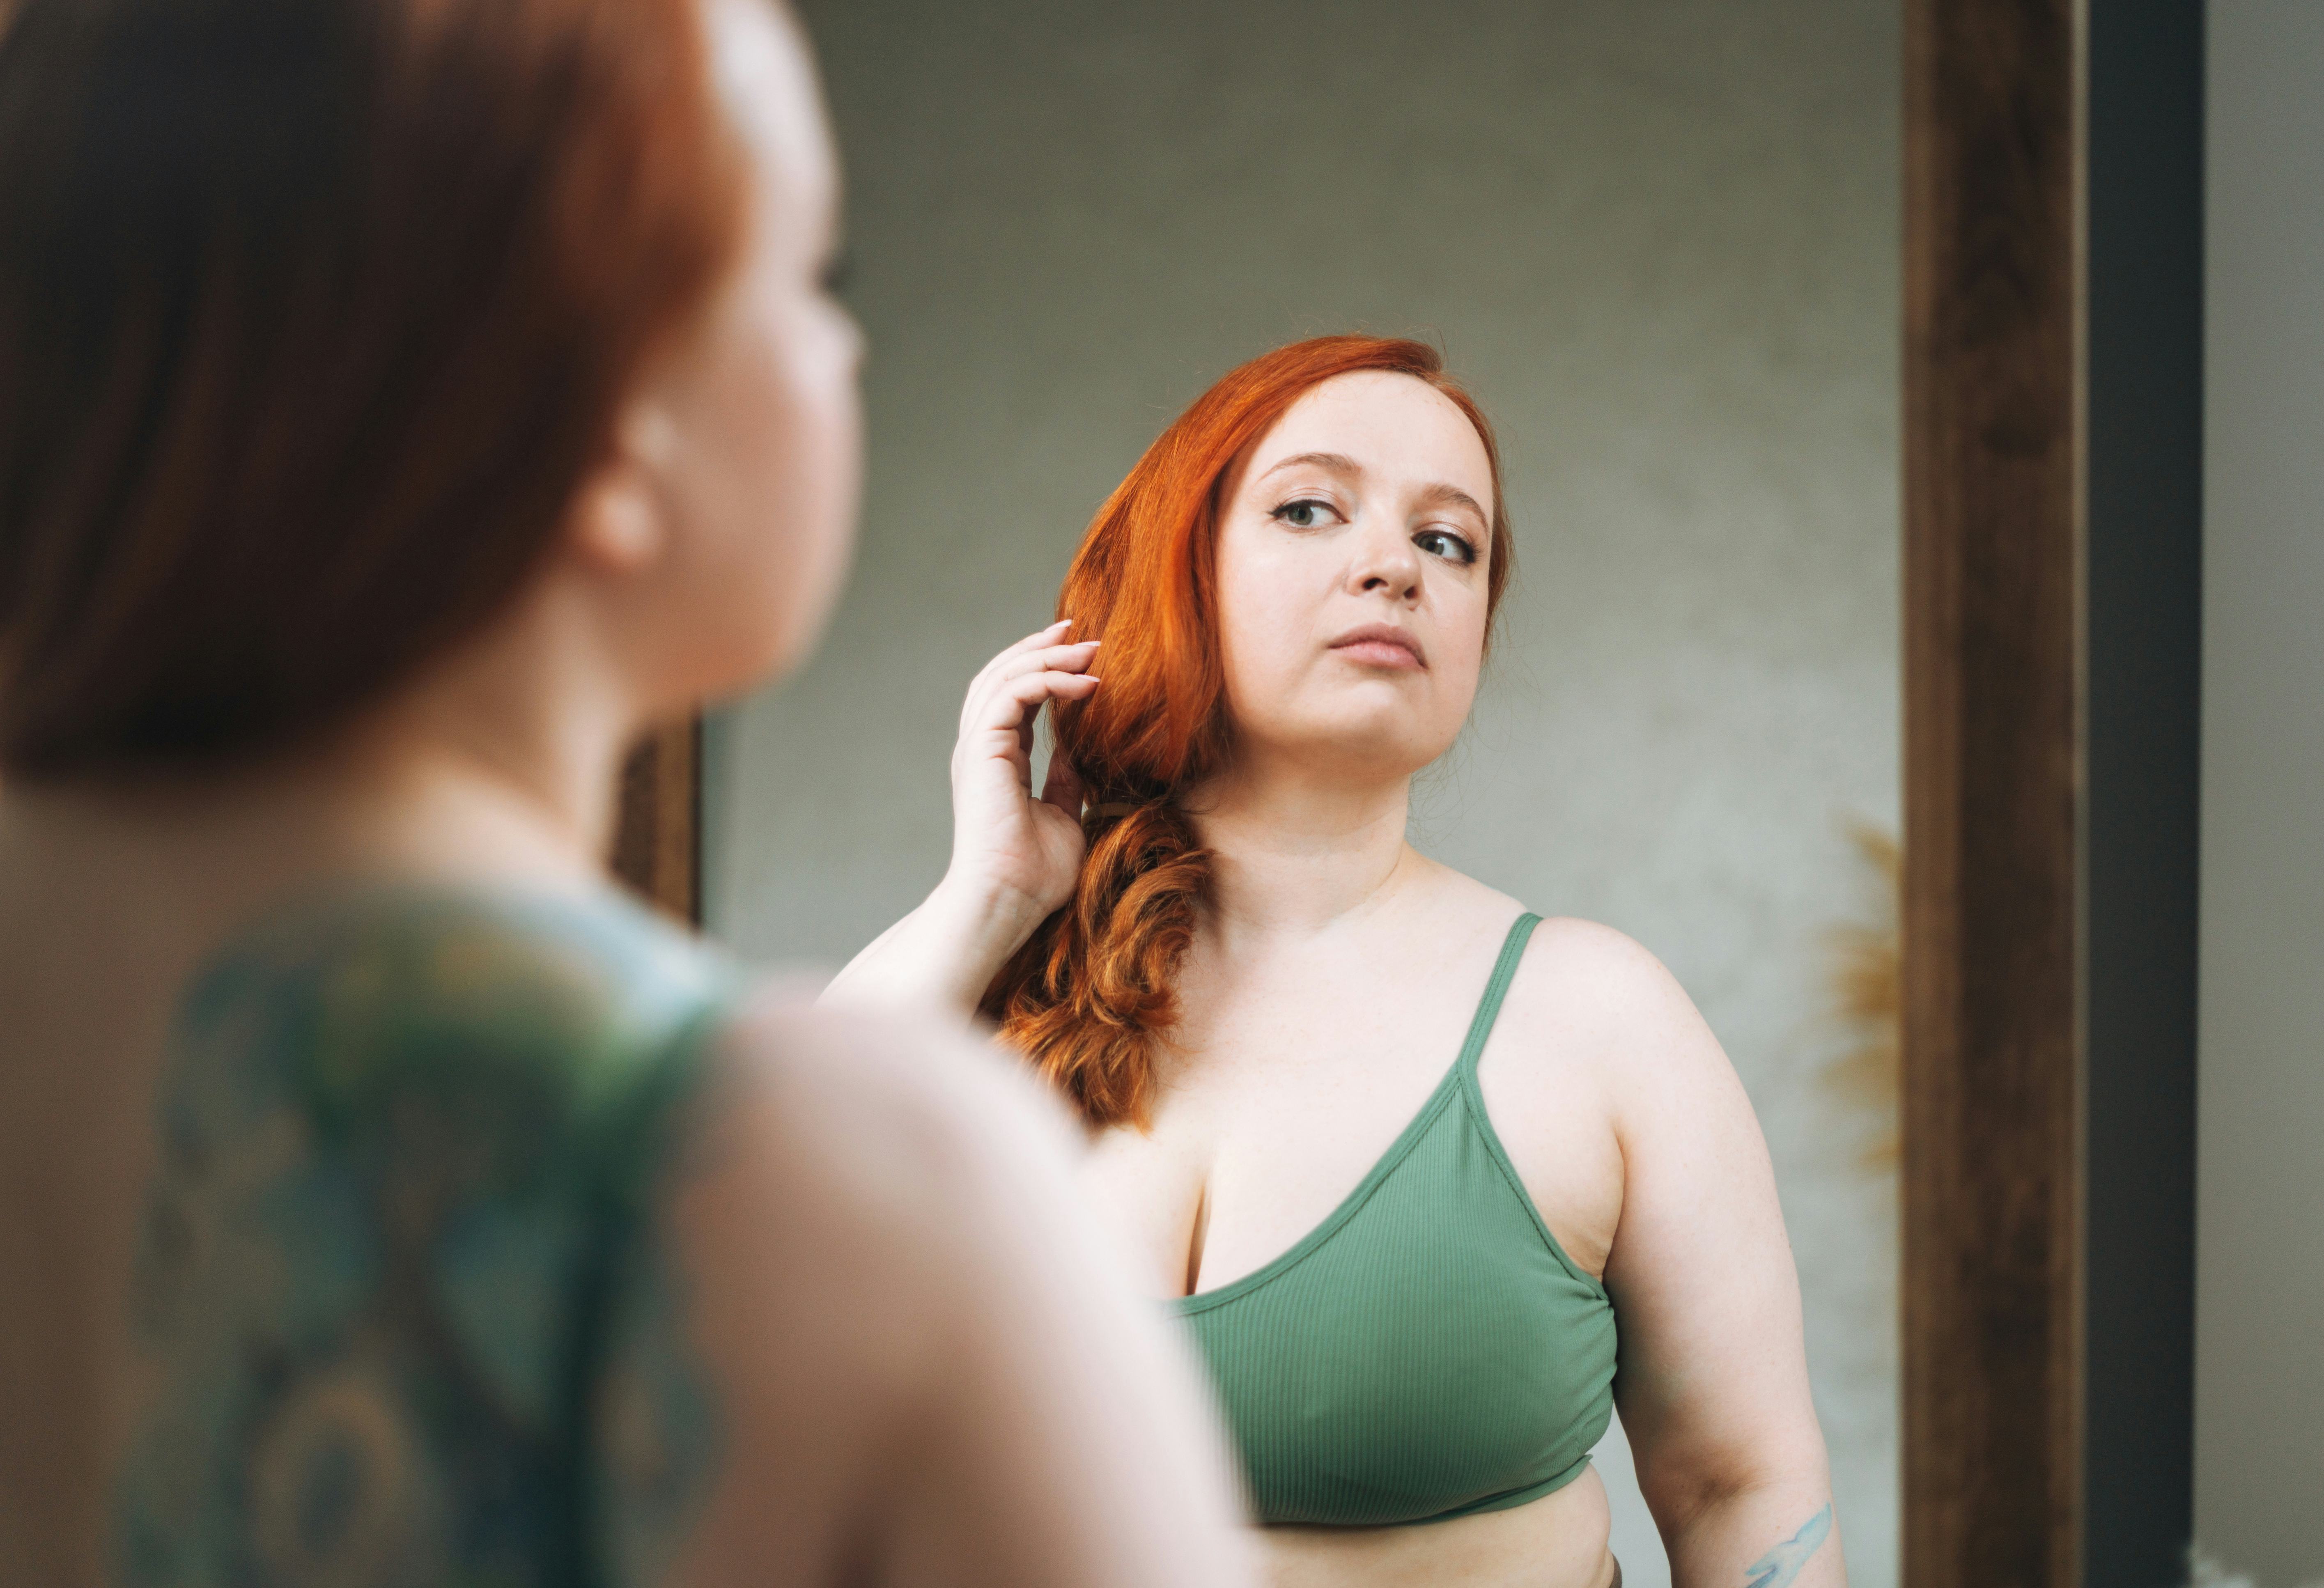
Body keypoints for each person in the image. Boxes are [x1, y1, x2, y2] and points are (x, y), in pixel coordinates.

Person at [0, 2, 1256, 1585]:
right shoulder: (863, 1182)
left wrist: (991, 905)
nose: (844, 350)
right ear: (607, 423)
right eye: (809, 285)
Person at [831, 335, 1848, 1588]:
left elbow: (1739, 1488)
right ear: (1179, 572)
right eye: (1310, 508)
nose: (1390, 566)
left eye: (1448, 542)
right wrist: (987, 896)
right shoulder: (971, 998)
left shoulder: (1597, 1020)